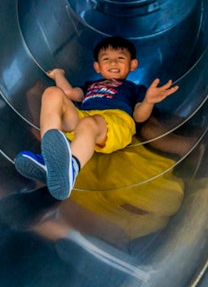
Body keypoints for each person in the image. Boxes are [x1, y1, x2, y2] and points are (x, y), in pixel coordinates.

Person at [14, 36, 178, 200]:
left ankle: (71, 168)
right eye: (106, 59)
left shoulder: (134, 89)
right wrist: (58, 75)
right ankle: (49, 161)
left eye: (120, 58)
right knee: (52, 93)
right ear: (97, 67)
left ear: (133, 64)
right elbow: (70, 93)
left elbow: (139, 116)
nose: (113, 63)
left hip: (115, 123)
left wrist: (148, 101)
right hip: (85, 120)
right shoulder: (90, 85)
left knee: (89, 123)